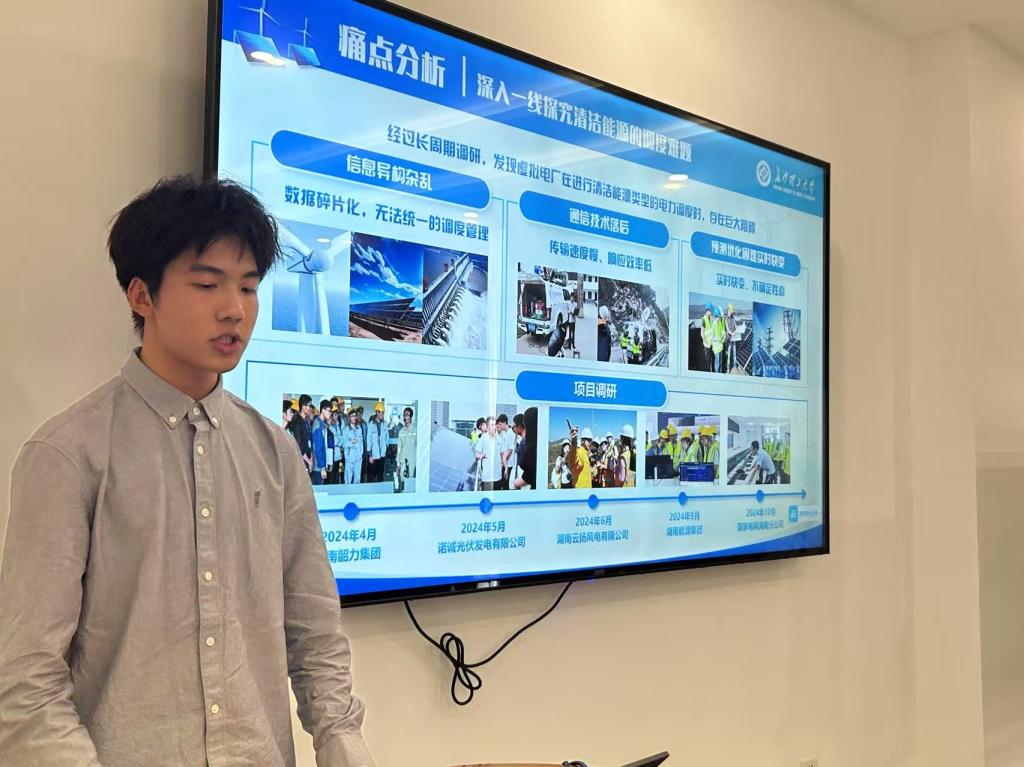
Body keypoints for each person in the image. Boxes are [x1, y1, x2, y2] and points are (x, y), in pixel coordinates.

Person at [0, 177, 374, 766]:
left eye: (248, 287)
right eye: (206, 284)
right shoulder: (68, 455)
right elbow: (26, 680)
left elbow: (315, 632)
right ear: (141, 296)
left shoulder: (274, 452)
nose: (235, 309)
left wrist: (342, 744)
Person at [512, 407, 538, 490]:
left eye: (514, 426)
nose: (513, 429)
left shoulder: (525, 444)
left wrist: (516, 483)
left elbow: (528, 472)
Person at [473, 416, 501, 491]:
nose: (494, 427)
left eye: (495, 425)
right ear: (487, 426)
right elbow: (476, 454)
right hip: (487, 478)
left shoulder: (499, 439)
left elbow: (503, 454)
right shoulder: (483, 438)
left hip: (498, 477)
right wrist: (481, 456)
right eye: (492, 425)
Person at [311, 399, 334, 485]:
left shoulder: (322, 424)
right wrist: (322, 468)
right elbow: (318, 448)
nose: (330, 413)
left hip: (321, 465)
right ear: (323, 410)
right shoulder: (318, 425)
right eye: (329, 411)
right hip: (318, 467)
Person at [341, 408, 365, 485]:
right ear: (349, 417)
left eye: (355, 416)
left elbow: (361, 442)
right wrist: (352, 442)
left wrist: (361, 453)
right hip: (349, 458)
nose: (354, 418)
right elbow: (344, 443)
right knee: (348, 479)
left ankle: (356, 492)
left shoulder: (359, 428)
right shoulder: (345, 430)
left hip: (358, 458)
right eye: (352, 416)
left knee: (357, 479)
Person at [365, 400, 388, 483]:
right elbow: (368, 440)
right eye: (380, 412)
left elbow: (387, 437)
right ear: (377, 412)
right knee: (371, 477)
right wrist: (370, 455)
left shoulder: (384, 424)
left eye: (383, 412)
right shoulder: (371, 424)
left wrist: (385, 448)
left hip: (382, 455)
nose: (382, 414)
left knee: (380, 476)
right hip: (374, 455)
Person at [396, 406, 417, 481]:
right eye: (404, 415)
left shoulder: (416, 430)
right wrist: (398, 464)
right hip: (403, 463)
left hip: (412, 463)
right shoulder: (401, 432)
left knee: (410, 484)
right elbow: (399, 449)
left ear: (411, 417)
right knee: (403, 483)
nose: (405, 417)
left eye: (407, 415)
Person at [495, 413, 515, 490]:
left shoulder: (511, 434)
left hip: (508, 464)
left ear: (504, 423)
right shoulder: (504, 433)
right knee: (502, 484)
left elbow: (510, 450)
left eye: (500, 424)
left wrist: (502, 461)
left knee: (505, 484)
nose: (499, 426)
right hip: (504, 463)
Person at [711, 306, 727, 373]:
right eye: (719, 317)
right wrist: (718, 339)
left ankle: (720, 373)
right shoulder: (714, 324)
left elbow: (722, 330)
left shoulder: (719, 322)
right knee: (717, 363)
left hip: (720, 346)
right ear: (716, 316)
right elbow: (712, 337)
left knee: (720, 362)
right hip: (716, 348)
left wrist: (724, 334)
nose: (720, 318)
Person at [700, 302, 715, 371]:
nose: (712, 312)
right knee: (708, 361)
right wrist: (705, 342)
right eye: (711, 310)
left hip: (711, 343)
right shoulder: (704, 319)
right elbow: (702, 333)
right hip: (707, 344)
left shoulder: (710, 318)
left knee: (712, 359)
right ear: (708, 310)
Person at [724, 303, 738, 372]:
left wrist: (739, 328)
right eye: (731, 311)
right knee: (729, 355)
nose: (732, 312)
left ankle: (735, 366)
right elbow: (727, 329)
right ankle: (728, 368)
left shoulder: (733, 318)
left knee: (734, 353)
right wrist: (732, 333)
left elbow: (735, 326)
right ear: (729, 310)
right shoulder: (726, 319)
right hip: (729, 339)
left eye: (732, 311)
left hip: (734, 339)